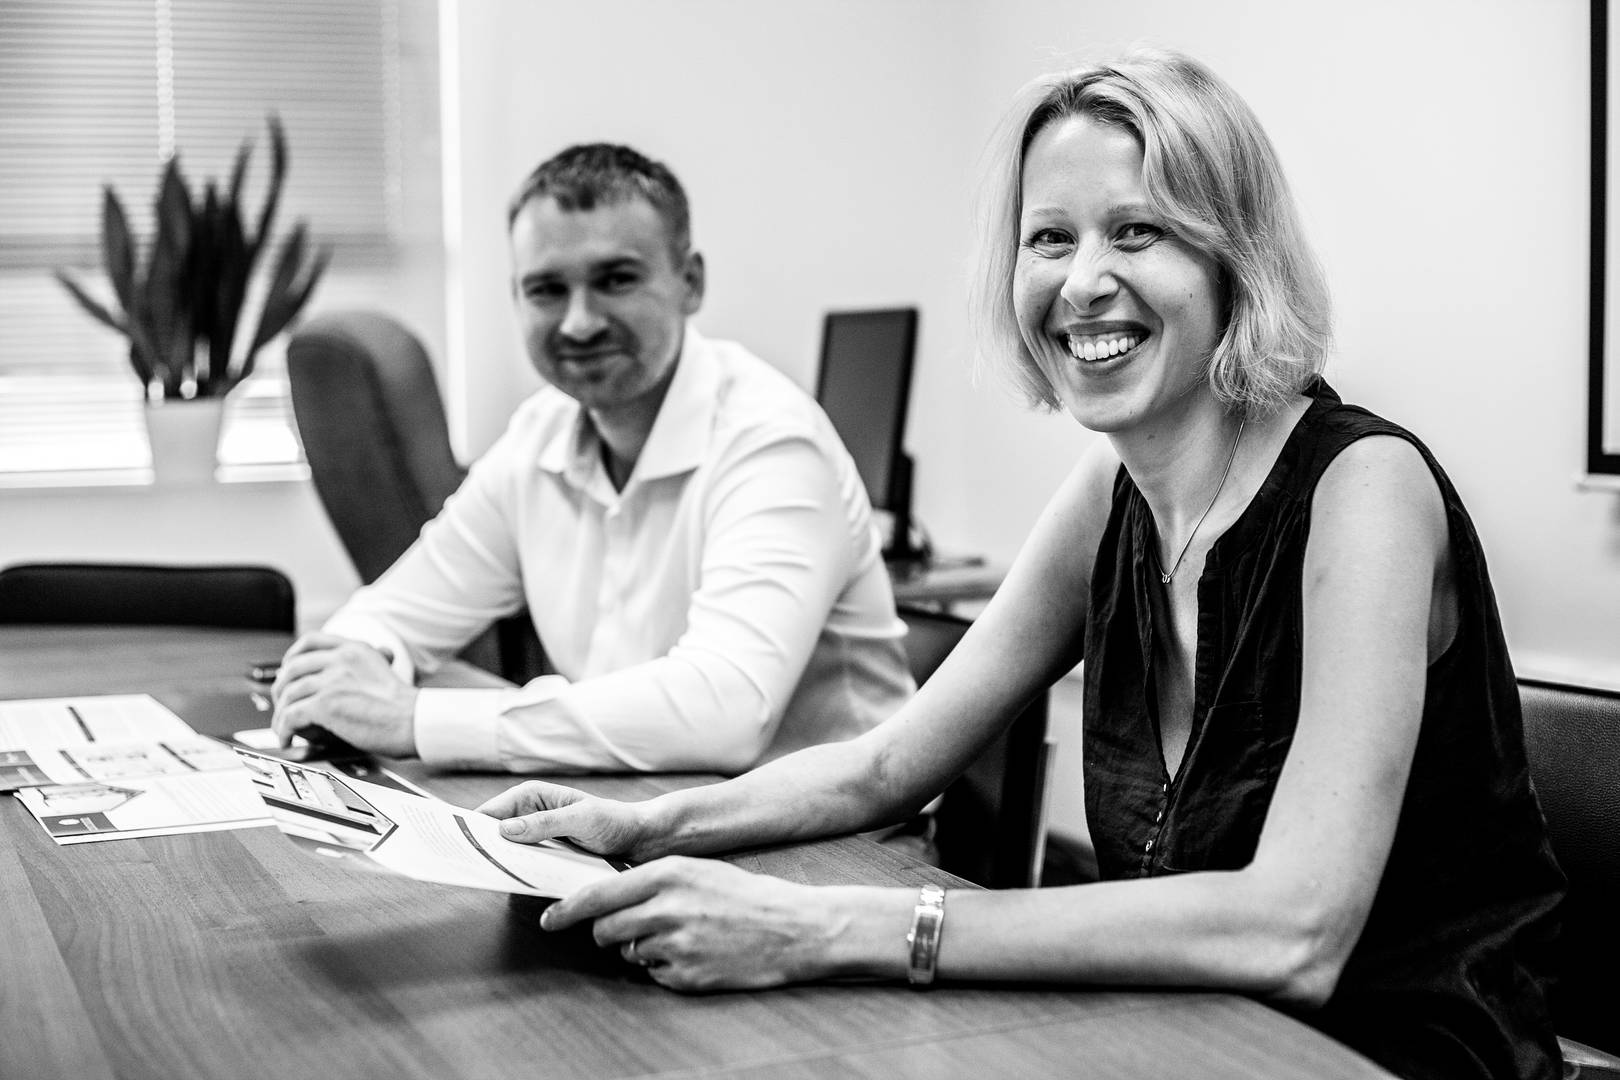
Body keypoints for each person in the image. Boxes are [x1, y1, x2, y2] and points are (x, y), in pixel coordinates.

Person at [475, 50, 1566, 1080]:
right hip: (1183, 1027)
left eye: (1138, 232)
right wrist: (639, 825)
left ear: (1235, 256)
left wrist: (834, 927)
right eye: (1050, 238)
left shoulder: (1364, 489)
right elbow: (888, 767)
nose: (1083, 281)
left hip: (1385, 1052)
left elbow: (1295, 928)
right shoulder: (1111, 497)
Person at [270, 143, 913, 775]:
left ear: (690, 282)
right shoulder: (538, 436)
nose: (579, 323)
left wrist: (414, 719)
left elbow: (724, 710)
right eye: (547, 289)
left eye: (616, 280)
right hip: (644, 813)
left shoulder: (770, 441)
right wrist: (350, 672)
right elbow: (394, 612)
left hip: (836, 848)